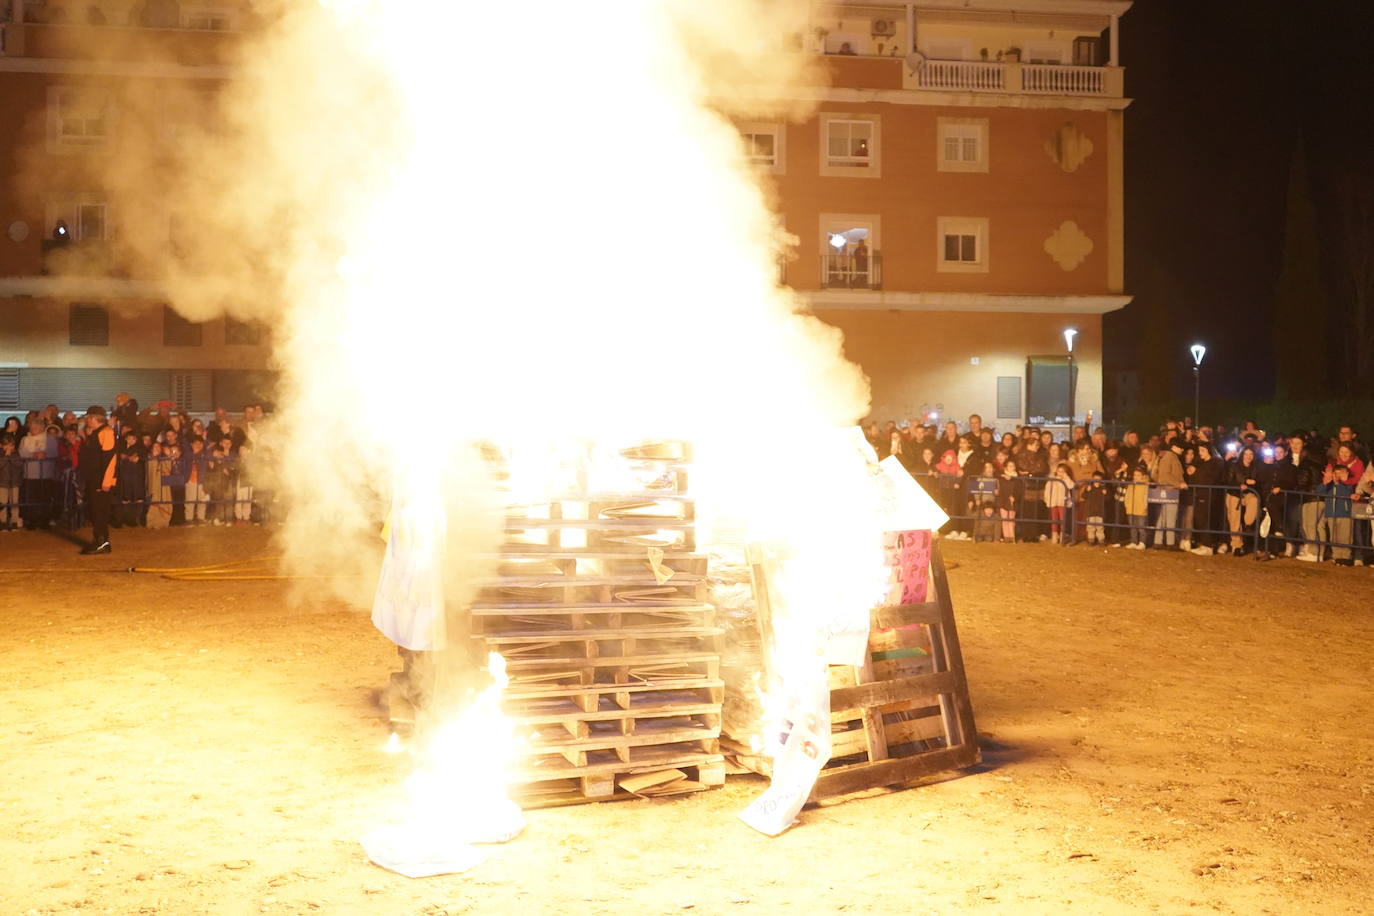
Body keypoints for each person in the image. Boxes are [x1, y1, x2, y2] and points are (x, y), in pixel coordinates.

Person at [78, 406, 117, 555]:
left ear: (94, 418)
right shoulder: (97, 433)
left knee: (99, 512)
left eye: (88, 418)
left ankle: (102, 542)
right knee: (95, 511)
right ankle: (99, 540)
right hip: (95, 478)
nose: (86, 420)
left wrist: (107, 481)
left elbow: (110, 459)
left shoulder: (106, 433)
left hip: (101, 481)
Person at [1288, 435, 1324, 561]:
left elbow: (1303, 481)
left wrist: (1296, 489)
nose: (1295, 446)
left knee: (1310, 526)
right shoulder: (1314, 461)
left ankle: (1314, 553)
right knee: (1314, 526)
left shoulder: (1305, 463)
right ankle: (1315, 552)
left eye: (1298, 443)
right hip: (1312, 496)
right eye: (1293, 443)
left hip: (1310, 496)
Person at [1187, 442, 1225, 555]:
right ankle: (1205, 543)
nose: (1200, 453)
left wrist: (1195, 473)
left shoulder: (1216, 463)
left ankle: (1208, 545)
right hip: (1200, 494)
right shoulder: (1202, 464)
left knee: (1206, 520)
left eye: (1203, 451)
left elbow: (1212, 478)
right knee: (1200, 519)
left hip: (1210, 495)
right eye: (1199, 451)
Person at [1224, 446, 1262, 557]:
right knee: (1234, 518)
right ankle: (1236, 545)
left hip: (1249, 494)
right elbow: (1229, 481)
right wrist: (1240, 484)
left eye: (1251, 454)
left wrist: (1254, 483)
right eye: (1246, 454)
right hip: (1234, 494)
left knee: (1254, 501)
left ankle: (1247, 524)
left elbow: (1260, 481)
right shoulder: (1234, 465)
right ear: (1242, 455)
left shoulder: (1256, 467)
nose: (1248, 457)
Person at [1318, 464, 1355, 565]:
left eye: (1341, 473)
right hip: (1331, 514)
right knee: (1334, 537)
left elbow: (1348, 493)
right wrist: (1325, 482)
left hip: (1345, 514)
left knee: (1345, 536)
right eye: (1336, 473)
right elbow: (1320, 492)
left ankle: (1346, 557)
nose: (1338, 475)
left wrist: (1342, 482)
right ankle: (1337, 556)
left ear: (1347, 474)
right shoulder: (1329, 485)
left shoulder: (1349, 485)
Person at [995, 459, 1023, 543]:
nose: (1012, 468)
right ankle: (1006, 536)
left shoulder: (1017, 479)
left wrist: (1015, 497)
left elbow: (1019, 490)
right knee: (1004, 519)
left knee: (1011, 519)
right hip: (1003, 500)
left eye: (1013, 466)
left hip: (1012, 501)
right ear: (1006, 467)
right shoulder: (1001, 477)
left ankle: (1012, 536)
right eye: (1010, 466)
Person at [1123, 465, 1150, 549]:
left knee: (1141, 527)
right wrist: (1126, 504)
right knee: (1132, 526)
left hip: (1141, 509)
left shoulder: (1145, 485)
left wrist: (1145, 506)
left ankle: (1142, 542)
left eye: (1138, 475)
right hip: (1131, 508)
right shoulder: (1130, 485)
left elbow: (1146, 497)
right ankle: (1133, 541)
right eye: (1135, 475)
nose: (1136, 477)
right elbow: (1127, 495)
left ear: (1143, 476)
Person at [1082, 471, 1109, 545]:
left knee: (1100, 527)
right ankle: (1091, 539)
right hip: (1090, 511)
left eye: (1099, 479)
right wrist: (1087, 491)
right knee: (1090, 526)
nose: (1097, 481)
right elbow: (1083, 496)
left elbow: (1107, 500)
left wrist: (1105, 494)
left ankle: (1101, 539)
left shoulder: (1103, 488)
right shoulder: (1089, 487)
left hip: (1100, 512)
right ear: (1092, 479)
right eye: (1095, 479)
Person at [0, 435, 21, 530]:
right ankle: (2, 521)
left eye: (11, 445)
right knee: (2, 503)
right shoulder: (0, 454)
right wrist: (6, 456)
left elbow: (19, 464)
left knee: (14, 502)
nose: (9, 448)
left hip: (14, 482)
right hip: (2, 482)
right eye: (6, 445)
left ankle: (14, 521)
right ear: (1, 445)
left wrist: (11, 457)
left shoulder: (16, 454)